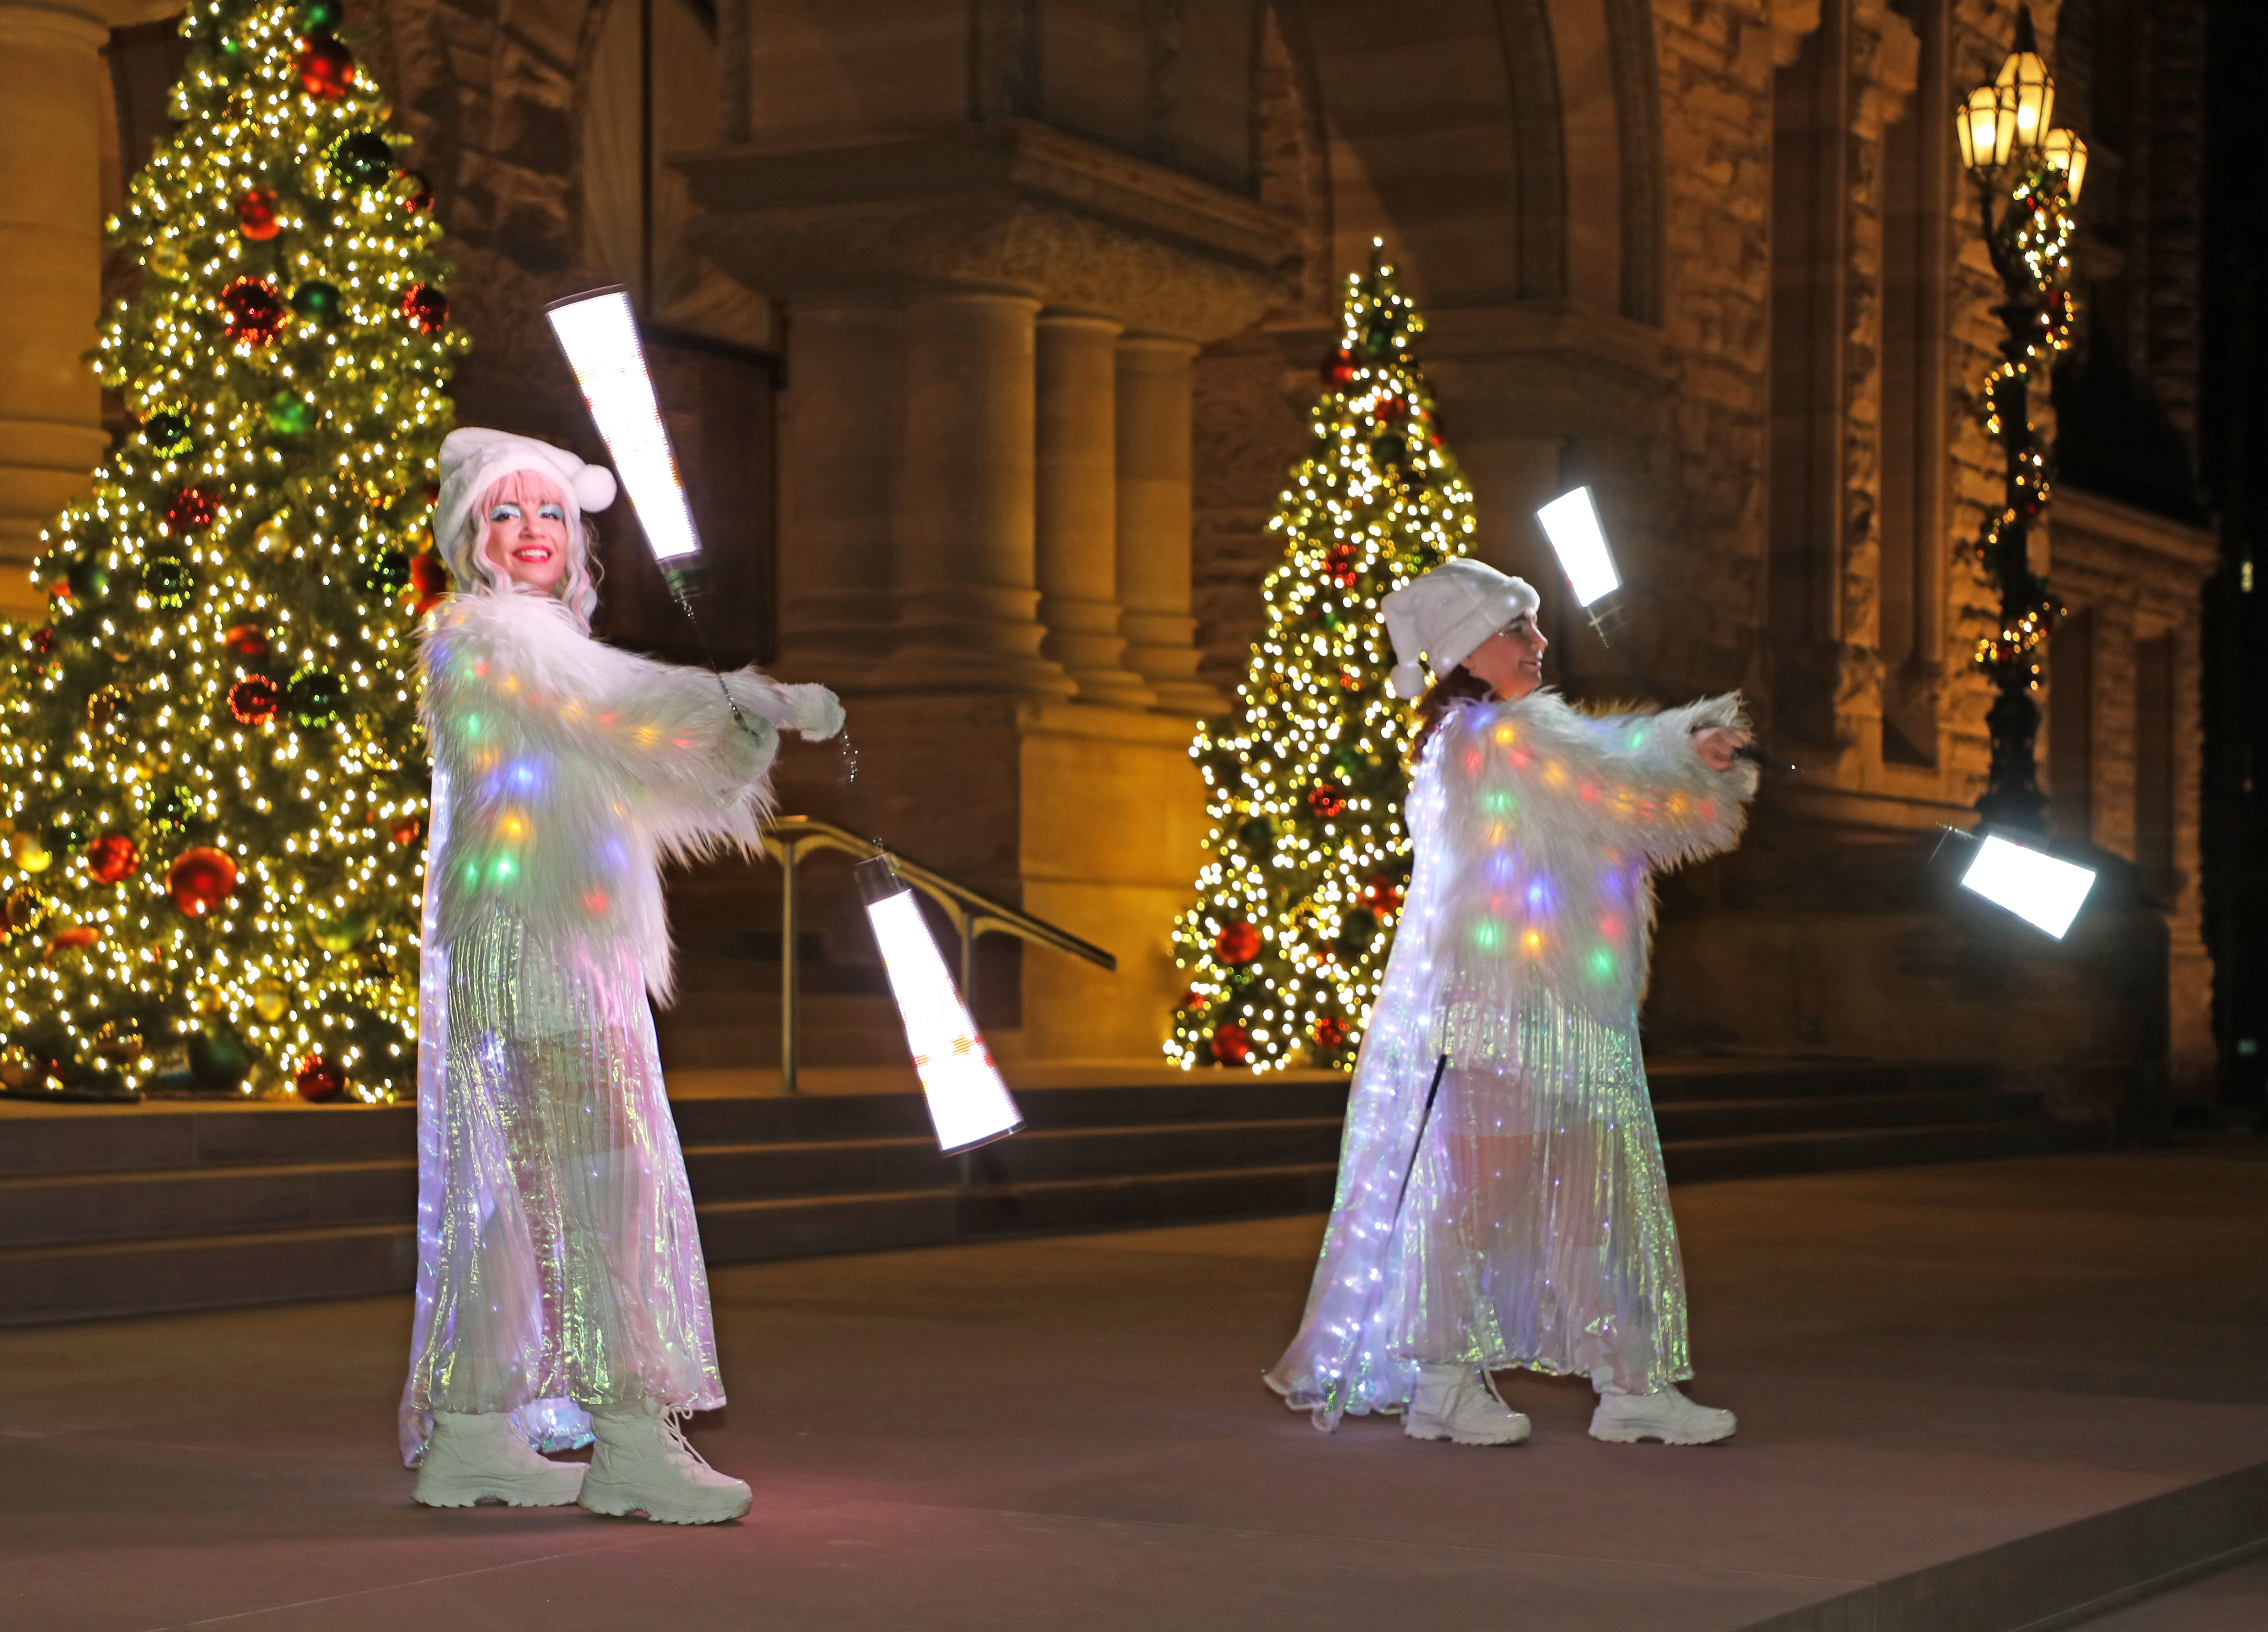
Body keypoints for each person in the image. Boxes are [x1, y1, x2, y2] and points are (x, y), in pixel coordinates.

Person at [398, 428, 842, 1521]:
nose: (531, 530)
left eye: (549, 512)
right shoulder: (492, 636)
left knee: (516, 1194)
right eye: (504, 513)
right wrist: (747, 699)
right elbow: (620, 711)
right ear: (470, 539)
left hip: (551, 939)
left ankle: (469, 1435)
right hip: (541, 946)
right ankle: (635, 1438)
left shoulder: (533, 647)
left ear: (578, 541)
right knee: (609, 1182)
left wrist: (738, 730)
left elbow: (637, 762)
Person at [1265, 557, 1757, 1447]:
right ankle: (1449, 1379)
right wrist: (1689, 751)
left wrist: (1687, 747)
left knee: (1588, 1201)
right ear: (1464, 653)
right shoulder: (1491, 742)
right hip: (1507, 1010)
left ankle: (1629, 1379)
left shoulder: (1513, 738)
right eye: (1515, 631)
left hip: (1556, 1007)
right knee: (1484, 1203)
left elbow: (1605, 772)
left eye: (1532, 627)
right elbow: (1615, 793)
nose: (1537, 643)